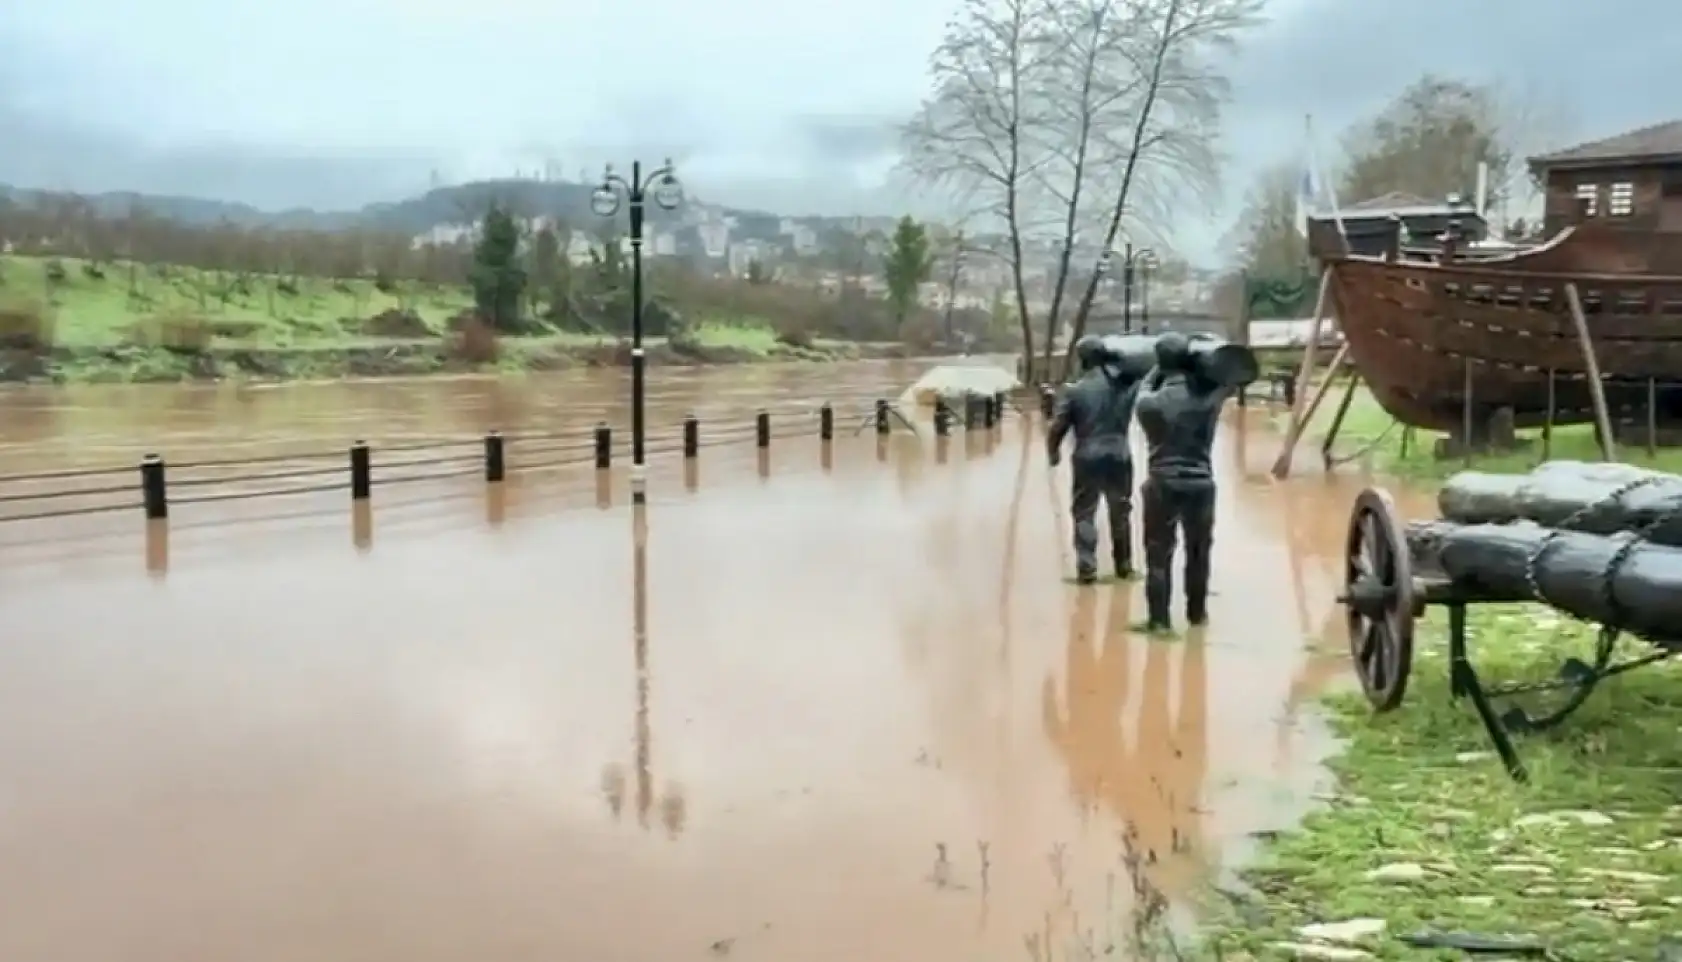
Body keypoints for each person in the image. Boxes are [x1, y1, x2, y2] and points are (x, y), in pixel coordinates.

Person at [1134, 332, 1233, 631]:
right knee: (1199, 552)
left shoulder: (1148, 403)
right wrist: (1199, 357)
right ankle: (1197, 615)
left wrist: (1159, 367)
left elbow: (1144, 386)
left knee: (1157, 554)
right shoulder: (1209, 400)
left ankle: (1159, 621)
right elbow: (1231, 375)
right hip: (1200, 483)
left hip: (1161, 483)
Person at [1047, 335, 1144, 584]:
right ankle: (1124, 566)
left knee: (1084, 511)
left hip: (1087, 455)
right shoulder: (1124, 387)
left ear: (1082, 360)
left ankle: (1087, 567)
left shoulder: (1074, 390)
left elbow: (1058, 425)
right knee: (1120, 510)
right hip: (1120, 454)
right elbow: (1142, 372)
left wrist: (1053, 451)